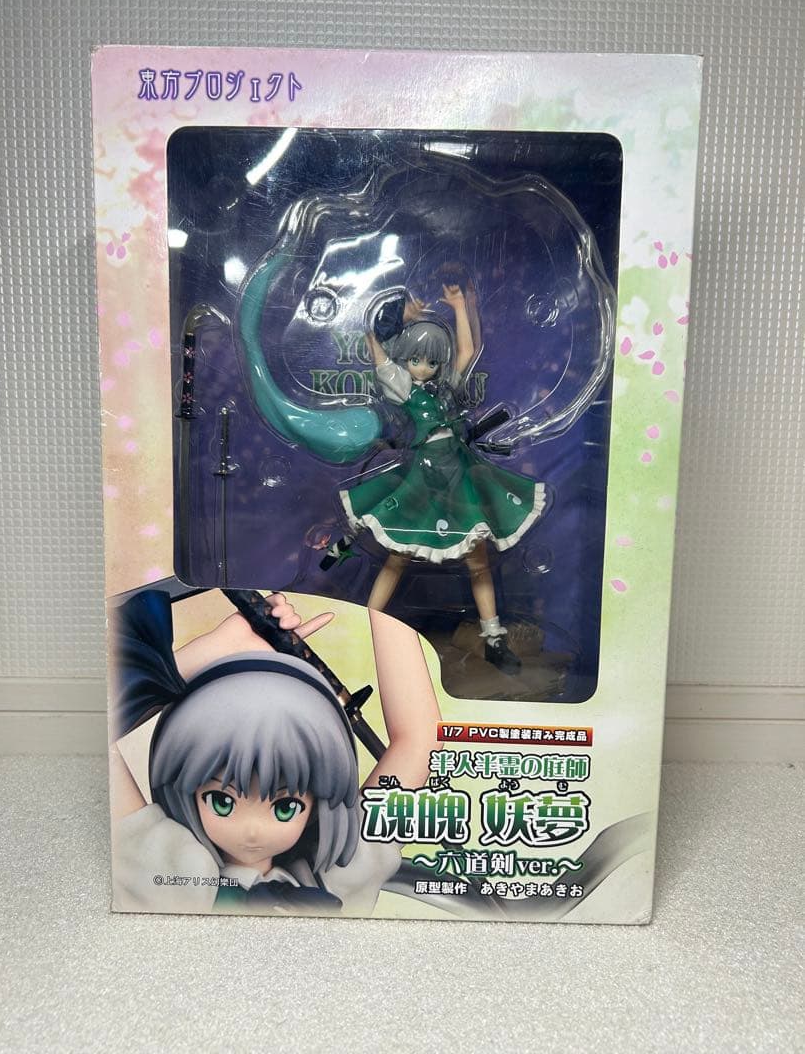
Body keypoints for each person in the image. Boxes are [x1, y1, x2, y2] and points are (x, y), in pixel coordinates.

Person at [109, 591, 440, 915]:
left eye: (285, 807)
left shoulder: (335, 875)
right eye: (222, 802)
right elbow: (101, 727)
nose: (253, 831)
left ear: (317, 801)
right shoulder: (178, 878)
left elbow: (418, 742)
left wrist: (382, 590)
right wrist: (215, 650)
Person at [338, 282, 547, 674]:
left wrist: (459, 307)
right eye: (416, 359)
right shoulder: (402, 387)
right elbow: (376, 349)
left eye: (431, 361)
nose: (424, 366)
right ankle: (366, 626)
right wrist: (396, 315)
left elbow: (467, 351)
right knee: (397, 557)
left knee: (478, 560)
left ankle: (493, 637)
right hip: (425, 476)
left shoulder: (444, 388)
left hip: (460, 472)